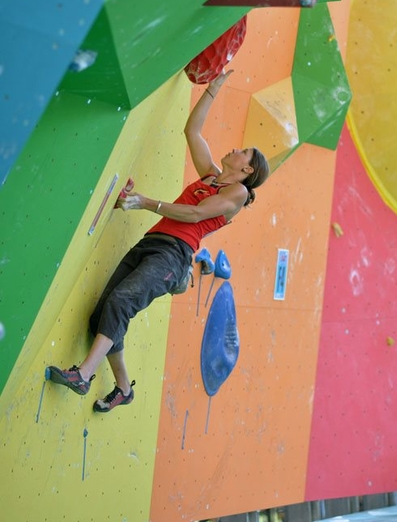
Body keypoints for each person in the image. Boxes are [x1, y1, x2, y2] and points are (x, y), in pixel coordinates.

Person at [47, 71, 269, 412]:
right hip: (152, 244)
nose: (237, 148)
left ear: (246, 171)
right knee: (101, 318)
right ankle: (123, 389)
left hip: (175, 255)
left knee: (121, 302)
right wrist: (213, 88)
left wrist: (146, 202)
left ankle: (83, 374)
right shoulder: (211, 176)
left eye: (244, 152)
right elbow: (192, 131)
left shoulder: (238, 192)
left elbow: (194, 216)